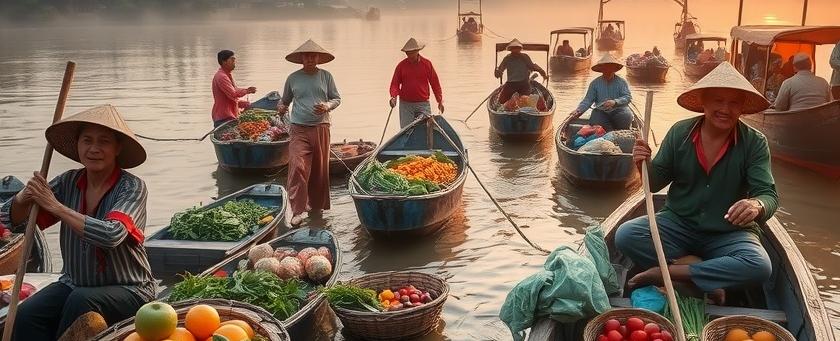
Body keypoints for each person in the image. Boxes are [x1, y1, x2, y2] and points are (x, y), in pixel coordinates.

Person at [615, 62, 777, 304]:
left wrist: (756, 205)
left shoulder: (754, 143)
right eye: (718, 101)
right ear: (704, 102)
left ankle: (670, 273)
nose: (725, 109)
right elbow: (654, 184)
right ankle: (705, 276)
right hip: (678, 224)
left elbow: (768, 195)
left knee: (760, 265)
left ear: (742, 107)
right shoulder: (680, 133)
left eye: (734, 103)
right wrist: (642, 164)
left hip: (728, 233)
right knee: (626, 235)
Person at [1, 105, 155, 340]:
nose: (94, 149)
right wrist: (23, 197)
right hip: (73, 283)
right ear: (78, 145)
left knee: (81, 301)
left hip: (130, 289)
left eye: (103, 141)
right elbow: (13, 223)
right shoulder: (68, 181)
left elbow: (111, 235)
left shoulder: (131, 187)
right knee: (26, 315)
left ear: (117, 148)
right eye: (87, 141)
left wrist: (55, 206)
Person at [277, 40, 341, 226]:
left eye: (314, 56)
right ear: (301, 58)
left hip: (321, 127)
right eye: (307, 56)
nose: (311, 59)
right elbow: (285, 101)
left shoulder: (326, 76)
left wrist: (327, 106)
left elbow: (336, 98)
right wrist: (281, 107)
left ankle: (316, 207)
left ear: (319, 58)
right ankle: (297, 210)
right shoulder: (293, 78)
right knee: (297, 167)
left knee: (319, 171)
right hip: (298, 128)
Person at [389, 38, 444, 128]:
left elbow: (435, 84)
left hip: (423, 104)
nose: (409, 55)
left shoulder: (427, 64)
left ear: (417, 51)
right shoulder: (401, 66)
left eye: (411, 52)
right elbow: (394, 84)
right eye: (407, 53)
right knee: (406, 130)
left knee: (427, 128)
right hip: (406, 105)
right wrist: (393, 97)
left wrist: (440, 101)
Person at [570, 54, 633, 131]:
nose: (608, 71)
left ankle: (619, 132)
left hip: (619, 110)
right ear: (601, 69)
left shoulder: (621, 82)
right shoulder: (595, 83)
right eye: (605, 68)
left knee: (626, 116)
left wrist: (615, 102)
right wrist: (578, 110)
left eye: (610, 68)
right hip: (601, 111)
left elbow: (627, 97)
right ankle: (609, 133)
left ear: (614, 69)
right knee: (596, 121)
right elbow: (588, 100)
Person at [212, 50, 257, 128]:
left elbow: (232, 97)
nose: (234, 62)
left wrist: (245, 104)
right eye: (232, 60)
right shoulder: (221, 76)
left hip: (230, 117)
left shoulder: (227, 75)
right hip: (224, 119)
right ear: (224, 61)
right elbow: (233, 94)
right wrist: (247, 91)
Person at [494, 39, 548, 104]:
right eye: (514, 49)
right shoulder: (507, 58)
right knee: (501, 101)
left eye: (517, 48)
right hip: (511, 84)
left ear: (520, 49)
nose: (515, 50)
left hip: (523, 84)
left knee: (525, 101)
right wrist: (497, 72)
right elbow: (499, 72)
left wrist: (543, 73)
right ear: (510, 49)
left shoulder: (524, 57)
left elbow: (533, 67)